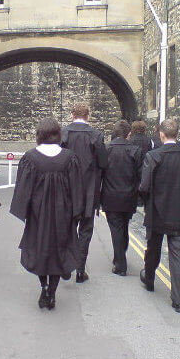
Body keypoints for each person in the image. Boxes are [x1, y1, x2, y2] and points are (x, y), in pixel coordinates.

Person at [10, 118, 84, 310]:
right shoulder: (69, 158)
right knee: (59, 254)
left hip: (38, 216)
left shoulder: (30, 158)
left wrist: (25, 211)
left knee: (40, 251)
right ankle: (52, 292)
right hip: (63, 215)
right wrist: (76, 213)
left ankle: (43, 287)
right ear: (58, 135)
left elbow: (23, 190)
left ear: (39, 135)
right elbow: (77, 189)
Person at [139, 119, 180, 313]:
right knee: (179, 256)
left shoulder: (153, 157)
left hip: (157, 212)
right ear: (177, 134)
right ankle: (179, 300)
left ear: (162, 135)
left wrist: (148, 201)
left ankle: (149, 278)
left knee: (153, 249)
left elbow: (144, 186)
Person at [61, 102, 108, 283]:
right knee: (85, 231)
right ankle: (80, 270)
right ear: (88, 115)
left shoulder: (64, 134)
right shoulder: (96, 136)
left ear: (72, 114)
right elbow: (104, 162)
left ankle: (66, 265)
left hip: (67, 190)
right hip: (89, 191)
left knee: (68, 229)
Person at [101, 120, 142, 276]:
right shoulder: (135, 151)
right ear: (128, 134)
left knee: (116, 229)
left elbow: (101, 174)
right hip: (129, 196)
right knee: (123, 226)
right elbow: (140, 176)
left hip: (110, 196)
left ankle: (120, 264)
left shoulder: (106, 149)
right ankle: (120, 254)